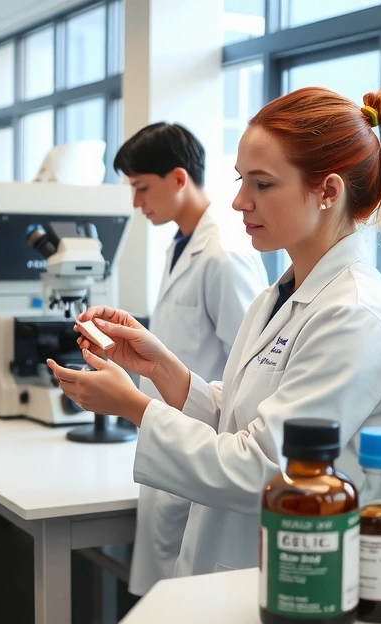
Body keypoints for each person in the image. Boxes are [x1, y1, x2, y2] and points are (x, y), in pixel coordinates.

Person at [46, 84, 381, 578]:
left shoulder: (354, 317)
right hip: (240, 562)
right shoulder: (282, 294)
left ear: (329, 191)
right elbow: (244, 418)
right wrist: (164, 370)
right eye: (240, 181)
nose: (237, 202)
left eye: (261, 184)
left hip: (303, 577)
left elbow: (265, 468)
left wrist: (132, 405)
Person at [112, 122, 268, 596]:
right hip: (180, 437)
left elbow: (252, 368)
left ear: (178, 179)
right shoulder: (182, 242)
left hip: (206, 451)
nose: (137, 203)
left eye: (142, 188)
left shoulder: (223, 254)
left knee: (181, 598)